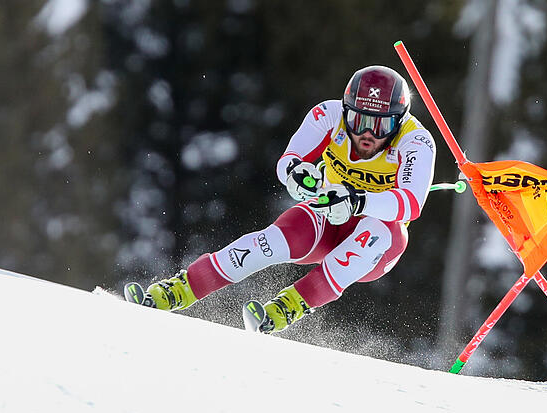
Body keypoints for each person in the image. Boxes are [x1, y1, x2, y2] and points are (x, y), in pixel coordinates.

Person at [138, 65, 437, 333]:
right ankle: (181, 288)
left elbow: (411, 203)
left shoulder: (416, 141)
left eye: (381, 126)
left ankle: (290, 305)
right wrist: (297, 174)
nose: (367, 135)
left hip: (376, 245)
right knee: (272, 242)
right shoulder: (329, 115)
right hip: (327, 214)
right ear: (347, 111)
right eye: (358, 121)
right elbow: (288, 161)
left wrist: (357, 201)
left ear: (398, 122)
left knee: (385, 229)